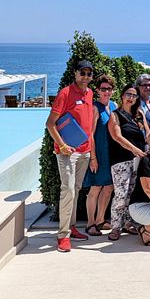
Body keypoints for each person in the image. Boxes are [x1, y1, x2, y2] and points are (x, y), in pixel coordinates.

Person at [46, 60, 96, 252]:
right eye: (82, 73)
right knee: (68, 190)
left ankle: (72, 227)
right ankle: (63, 235)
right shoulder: (65, 93)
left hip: (84, 151)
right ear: (75, 74)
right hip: (67, 152)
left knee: (75, 189)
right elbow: (50, 124)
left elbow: (88, 123)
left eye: (89, 73)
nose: (85, 77)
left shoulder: (90, 93)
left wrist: (90, 150)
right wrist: (62, 145)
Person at [106, 84, 150, 241]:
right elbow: (117, 137)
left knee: (131, 193)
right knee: (120, 194)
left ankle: (127, 223)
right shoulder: (115, 115)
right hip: (121, 160)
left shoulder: (139, 114)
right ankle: (115, 227)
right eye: (129, 94)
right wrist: (134, 150)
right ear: (123, 95)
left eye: (134, 95)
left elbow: (148, 133)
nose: (131, 97)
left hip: (138, 160)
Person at [83, 74, 117, 237]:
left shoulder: (113, 106)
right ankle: (90, 223)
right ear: (97, 90)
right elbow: (90, 134)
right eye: (103, 89)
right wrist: (93, 158)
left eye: (109, 89)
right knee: (95, 188)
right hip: (99, 154)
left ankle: (100, 219)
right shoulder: (95, 108)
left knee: (109, 187)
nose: (106, 92)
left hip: (111, 155)